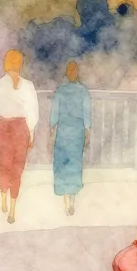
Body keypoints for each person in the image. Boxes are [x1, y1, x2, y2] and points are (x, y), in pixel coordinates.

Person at [0, 50, 38, 223]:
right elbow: (32, 113)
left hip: (2, 128)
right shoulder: (28, 86)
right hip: (21, 129)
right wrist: (31, 134)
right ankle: (13, 210)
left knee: (4, 165)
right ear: (20, 64)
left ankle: (3, 198)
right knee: (17, 169)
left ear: (6, 64)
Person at [51, 61, 91, 216]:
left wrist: (51, 129)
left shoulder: (60, 91)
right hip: (76, 131)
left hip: (63, 131)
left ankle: (66, 201)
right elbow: (86, 113)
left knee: (63, 163)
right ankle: (71, 200)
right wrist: (87, 130)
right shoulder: (83, 91)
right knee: (74, 163)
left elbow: (54, 114)